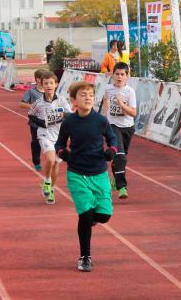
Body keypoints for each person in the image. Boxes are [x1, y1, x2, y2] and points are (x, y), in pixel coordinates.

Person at [55, 81, 119, 272]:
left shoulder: (101, 120)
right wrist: (62, 153)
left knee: (104, 215)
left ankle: (90, 219)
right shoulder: (69, 122)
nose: (88, 98)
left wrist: (112, 151)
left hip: (99, 172)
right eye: (83, 95)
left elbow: (112, 138)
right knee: (85, 214)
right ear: (73, 100)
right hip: (77, 173)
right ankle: (85, 257)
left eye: (91, 94)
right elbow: (59, 143)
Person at [28, 71, 72, 204]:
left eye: (51, 83)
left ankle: (51, 189)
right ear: (42, 84)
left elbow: (69, 114)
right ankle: (47, 181)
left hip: (59, 136)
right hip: (44, 134)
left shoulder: (62, 100)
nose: (48, 86)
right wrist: (40, 122)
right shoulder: (39, 102)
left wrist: (61, 115)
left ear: (56, 84)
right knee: (50, 159)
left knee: (56, 164)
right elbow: (31, 114)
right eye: (46, 83)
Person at [103, 62, 136, 199]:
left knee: (120, 158)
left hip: (128, 127)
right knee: (120, 155)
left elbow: (133, 113)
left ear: (127, 76)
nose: (119, 77)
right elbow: (105, 107)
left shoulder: (130, 92)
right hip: (112, 126)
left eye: (122, 74)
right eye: (117, 74)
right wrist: (105, 116)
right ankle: (122, 187)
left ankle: (116, 179)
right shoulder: (107, 89)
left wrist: (122, 104)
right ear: (113, 75)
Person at [19, 69, 48, 171]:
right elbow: (21, 104)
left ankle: (53, 159)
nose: (46, 81)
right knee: (36, 142)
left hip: (49, 122)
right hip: (35, 122)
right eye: (44, 78)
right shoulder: (31, 92)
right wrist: (32, 106)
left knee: (52, 141)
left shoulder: (51, 90)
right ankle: (36, 162)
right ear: (37, 79)